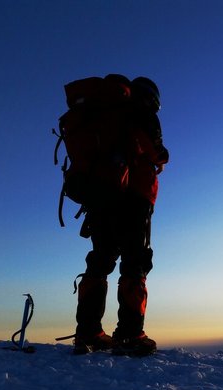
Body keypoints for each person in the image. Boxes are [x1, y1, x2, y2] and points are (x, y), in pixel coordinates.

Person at [72, 75, 169, 356]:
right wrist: (162, 157)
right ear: (151, 99)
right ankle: (129, 334)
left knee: (100, 260)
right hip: (134, 197)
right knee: (135, 262)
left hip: (102, 197)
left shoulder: (105, 117)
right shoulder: (142, 114)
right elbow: (155, 151)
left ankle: (88, 333)